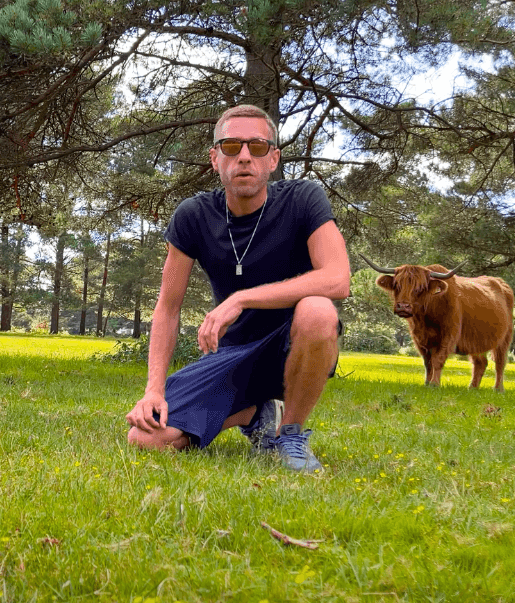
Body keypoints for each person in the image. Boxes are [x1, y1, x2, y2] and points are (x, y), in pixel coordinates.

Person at [124, 104, 350, 472]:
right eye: (231, 147)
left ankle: (289, 432)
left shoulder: (304, 199)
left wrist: (241, 298)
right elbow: (167, 308)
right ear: (215, 158)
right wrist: (154, 389)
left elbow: (338, 278)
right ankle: (251, 414)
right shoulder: (193, 216)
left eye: (257, 147)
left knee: (318, 310)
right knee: (146, 438)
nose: (244, 157)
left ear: (273, 158)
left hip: (291, 346)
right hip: (230, 356)